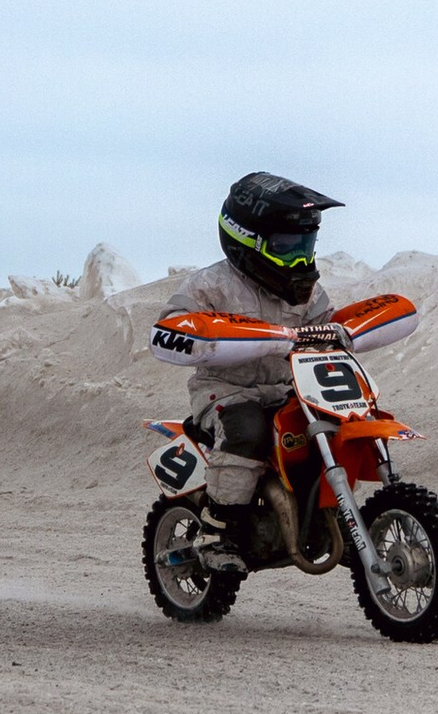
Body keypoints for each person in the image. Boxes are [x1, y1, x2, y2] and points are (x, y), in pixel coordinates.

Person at [149, 171, 352, 553]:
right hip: (225, 392)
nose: (299, 258)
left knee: (335, 425)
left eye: (305, 246)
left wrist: (339, 333)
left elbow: (324, 324)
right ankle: (220, 532)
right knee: (248, 433)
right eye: (287, 246)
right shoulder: (210, 286)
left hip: (289, 388)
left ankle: (333, 515)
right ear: (248, 242)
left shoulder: (307, 294)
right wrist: (209, 334)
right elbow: (171, 326)